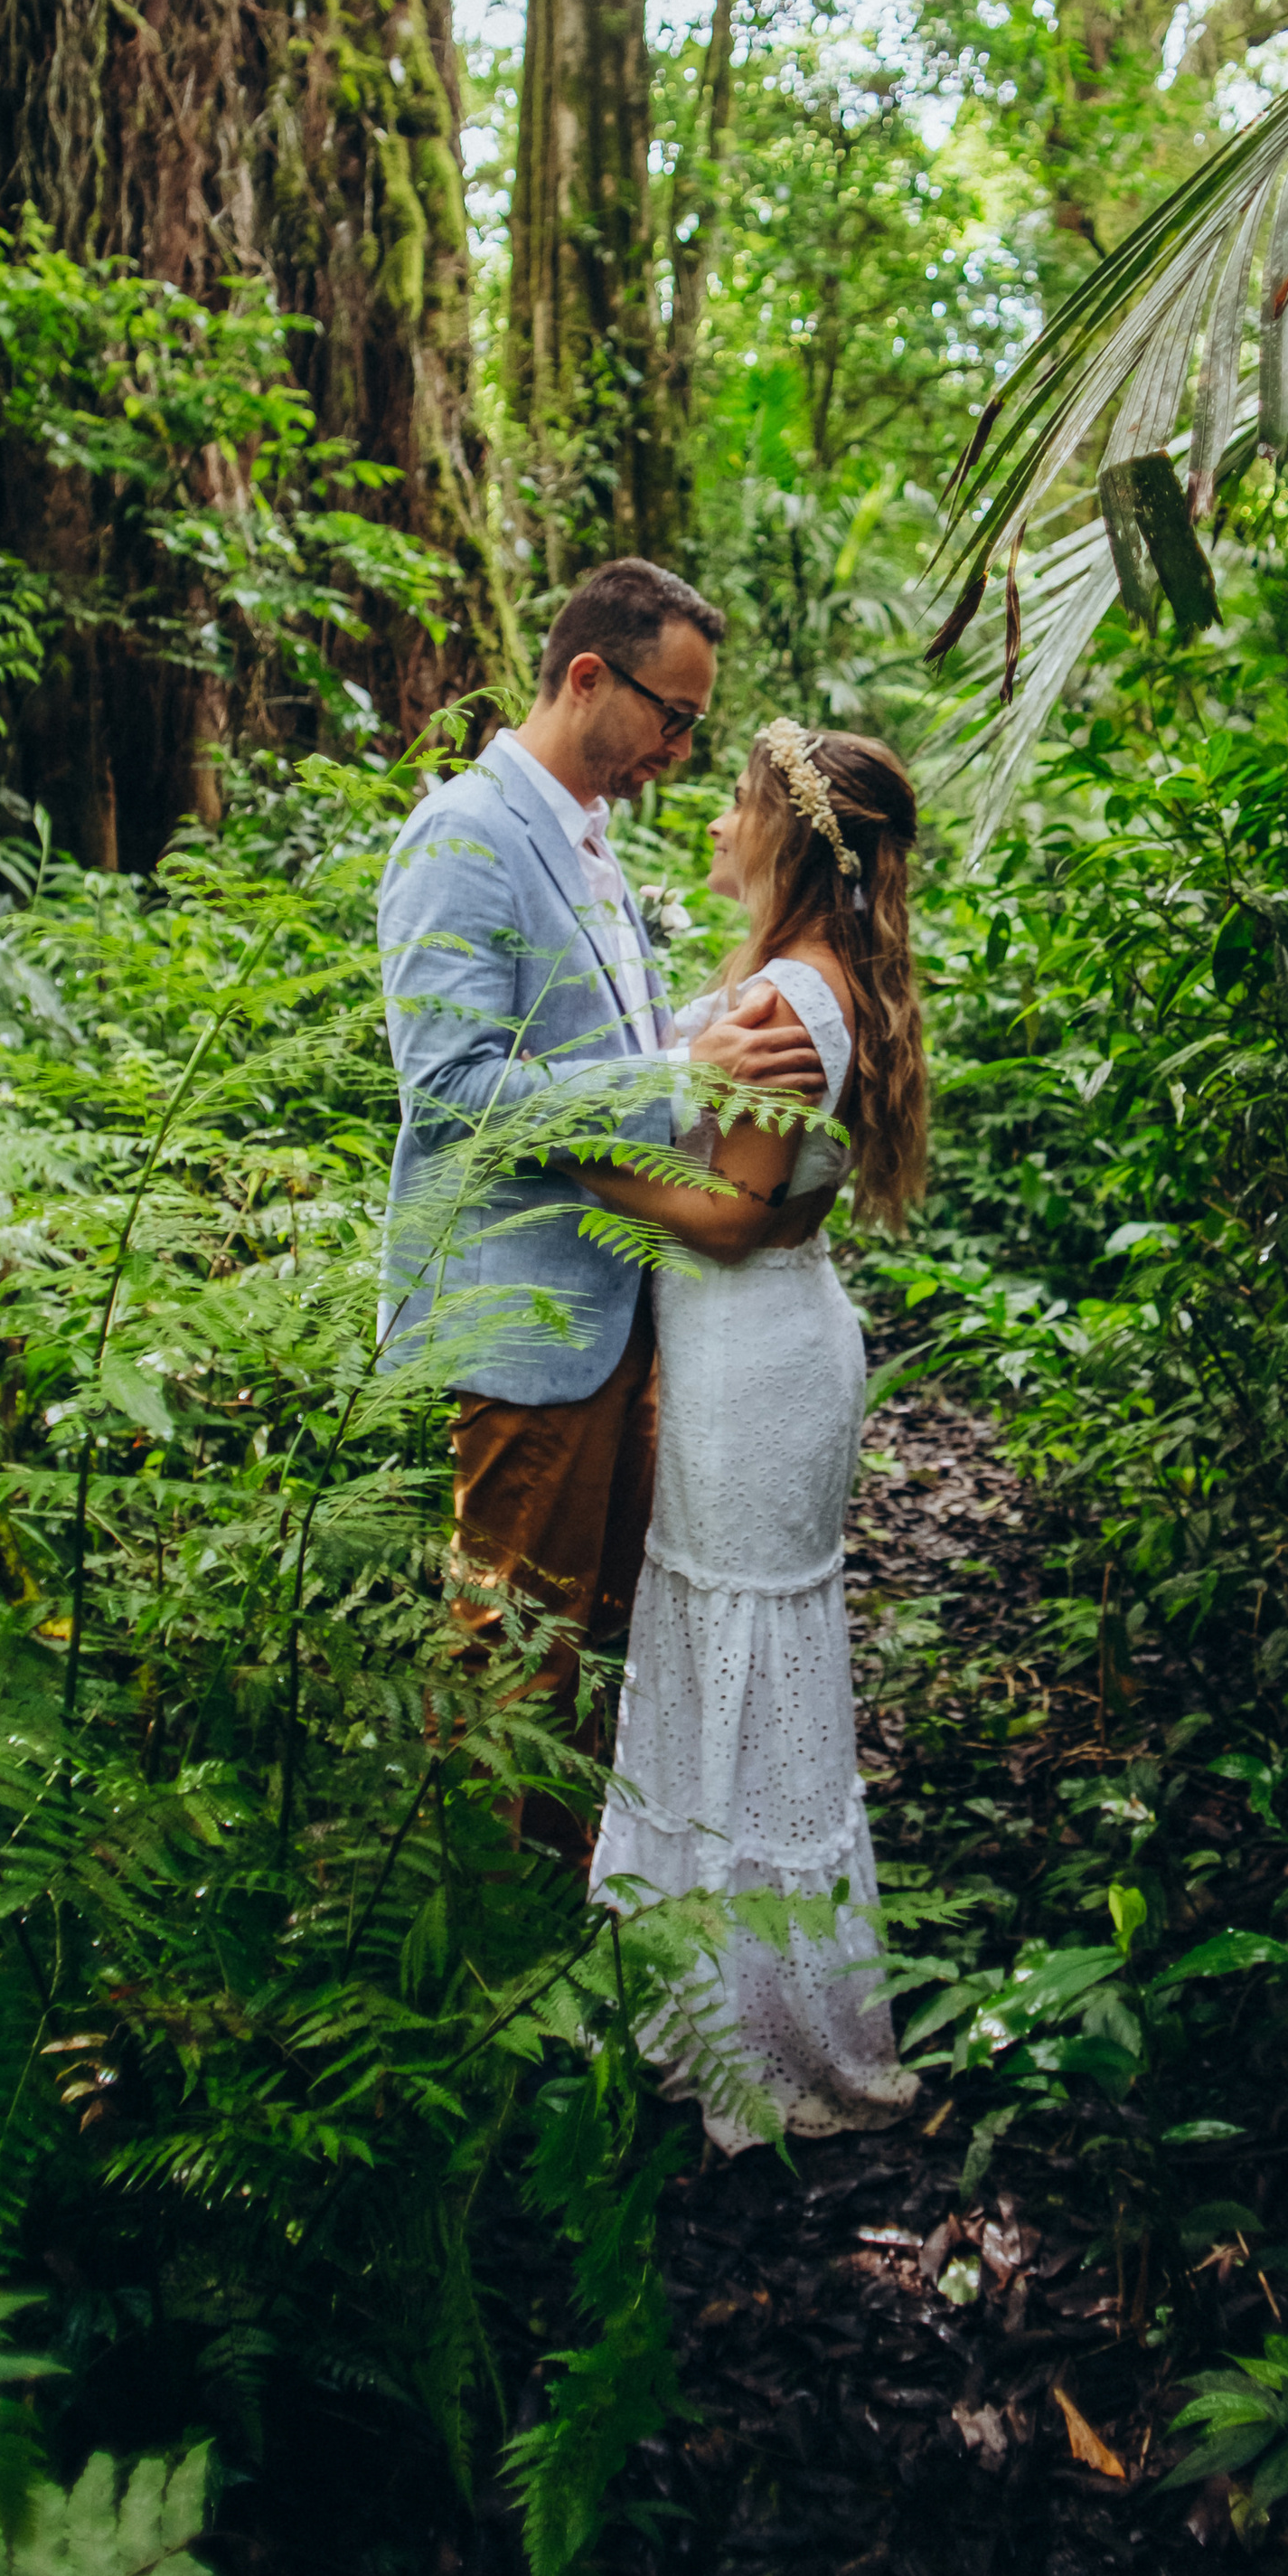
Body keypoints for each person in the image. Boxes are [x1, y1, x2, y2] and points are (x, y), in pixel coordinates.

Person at [377, 559, 823, 1865]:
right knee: (505, 1667)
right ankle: (479, 1966)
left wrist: (710, 1032)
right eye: (672, 718)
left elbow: (597, 1044)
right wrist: (682, 1073)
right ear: (588, 677)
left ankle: (566, 1929)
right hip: (523, 1322)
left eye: (692, 726)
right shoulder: (464, 835)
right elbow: (454, 1088)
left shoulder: (586, 837)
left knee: (584, 1652)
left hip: (619, 1306)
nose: (681, 752)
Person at [569, 720, 928, 2151]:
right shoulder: (824, 977)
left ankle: (760, 2039)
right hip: (768, 1344)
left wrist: (581, 1161)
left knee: (741, 1653)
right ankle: (725, 2003)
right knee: (734, 1657)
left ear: (788, 836)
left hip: (749, 1358)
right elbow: (764, 1198)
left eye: (732, 804)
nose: (714, 824)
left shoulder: (790, 991)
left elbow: (728, 1216)